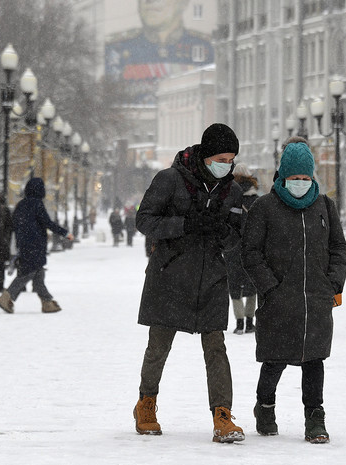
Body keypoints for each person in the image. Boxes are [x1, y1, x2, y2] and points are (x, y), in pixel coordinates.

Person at [132, 123, 245, 443]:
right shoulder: (169, 180)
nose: (227, 164)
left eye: (232, 158)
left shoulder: (232, 191)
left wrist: (221, 231)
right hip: (170, 275)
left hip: (210, 278)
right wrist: (186, 224)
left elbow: (236, 236)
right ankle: (146, 404)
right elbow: (144, 220)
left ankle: (222, 414)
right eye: (221, 157)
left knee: (216, 348)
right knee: (159, 345)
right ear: (206, 155)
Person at [241, 140, 346, 444]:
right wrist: (270, 287)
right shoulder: (264, 208)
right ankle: (265, 406)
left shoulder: (325, 206)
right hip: (279, 300)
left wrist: (333, 283)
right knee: (274, 359)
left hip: (316, 299)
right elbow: (251, 252)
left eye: (304, 178)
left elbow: (337, 247)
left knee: (314, 361)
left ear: (311, 177)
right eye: (294, 178)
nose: (300, 184)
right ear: (282, 176)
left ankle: (315, 418)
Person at [0, 178, 72, 314]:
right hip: (35, 244)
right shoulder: (37, 204)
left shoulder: (20, 205)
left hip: (24, 244)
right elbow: (47, 223)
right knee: (28, 273)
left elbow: (14, 224)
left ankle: (47, 302)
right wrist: (65, 233)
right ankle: (6, 297)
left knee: (38, 273)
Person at [225, 163, 259, 335]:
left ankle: (239, 323)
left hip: (232, 246)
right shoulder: (256, 199)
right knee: (253, 285)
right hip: (251, 247)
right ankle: (250, 322)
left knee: (234, 286)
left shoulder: (229, 194)